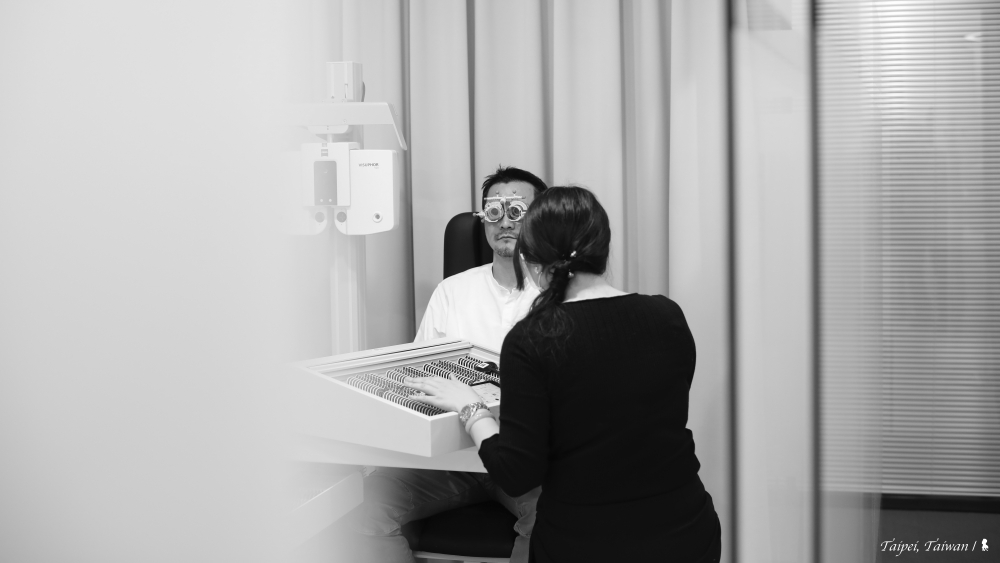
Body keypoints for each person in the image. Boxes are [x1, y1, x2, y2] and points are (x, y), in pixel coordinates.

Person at [407, 186, 722, 562]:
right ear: (602, 248)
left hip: (586, 544)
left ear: (531, 259)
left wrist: (470, 406)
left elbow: (516, 474)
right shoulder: (667, 315)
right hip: (689, 532)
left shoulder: (533, 338)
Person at [352, 165, 548, 563]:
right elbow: (421, 379)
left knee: (551, 520)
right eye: (494, 211)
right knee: (363, 505)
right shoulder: (452, 291)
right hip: (451, 458)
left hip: (523, 459)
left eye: (517, 210)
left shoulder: (559, 296)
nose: (505, 222)